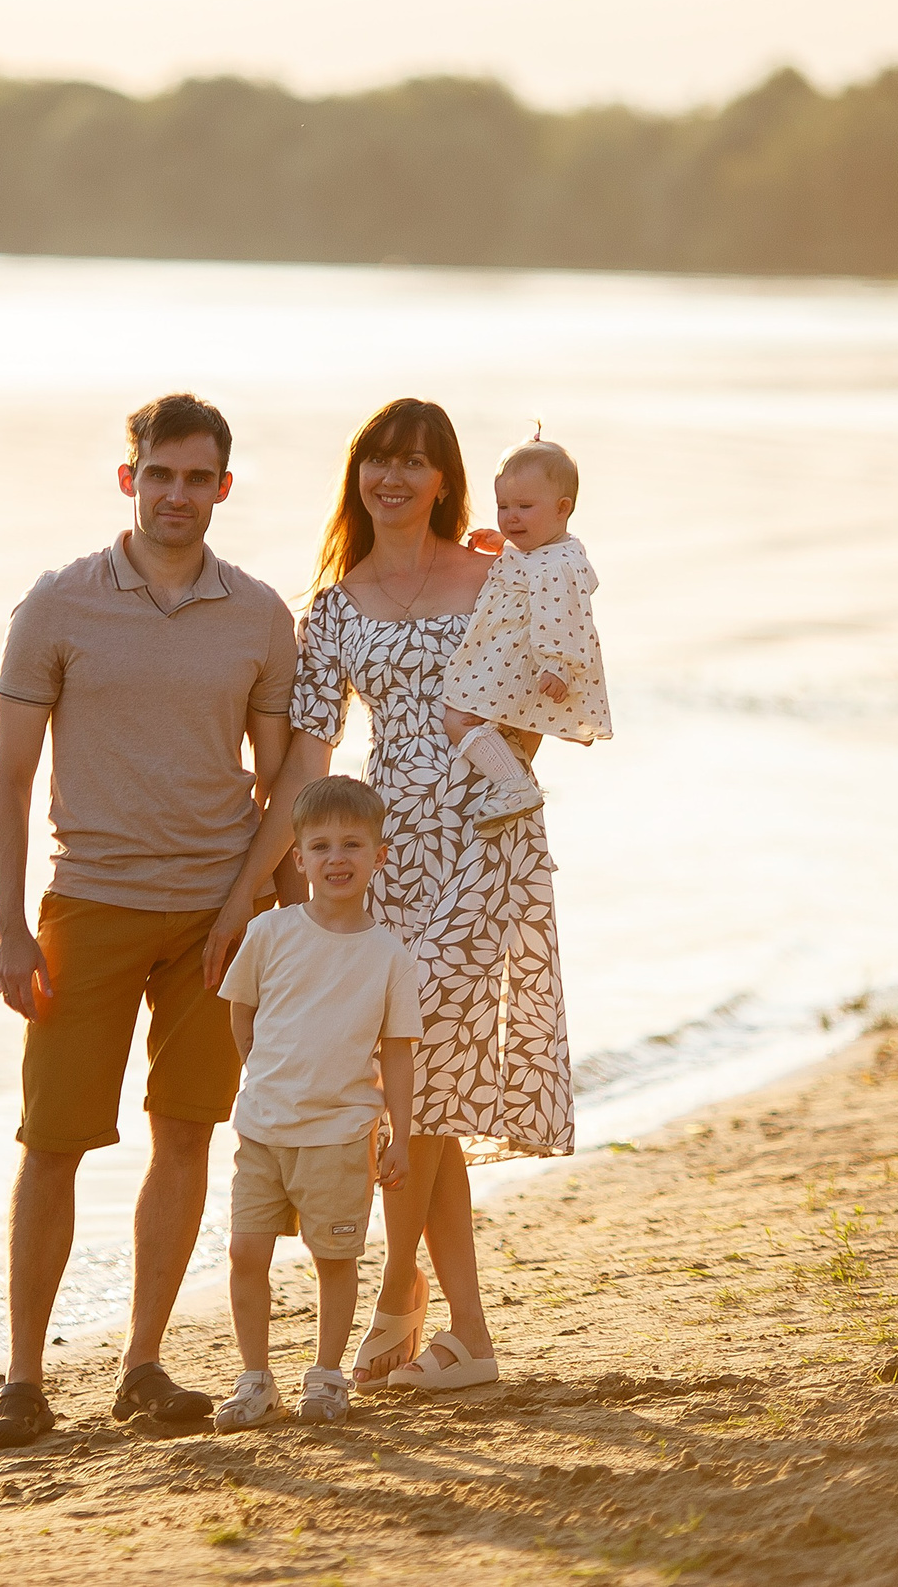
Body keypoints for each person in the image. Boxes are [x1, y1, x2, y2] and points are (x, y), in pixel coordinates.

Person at [206, 397, 575, 1396]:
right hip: (386, 850)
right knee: (425, 1090)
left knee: (429, 1072)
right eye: (379, 459)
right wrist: (253, 891)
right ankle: (466, 1334)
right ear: (358, 473)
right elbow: (307, 767)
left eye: (416, 462)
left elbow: (555, 685)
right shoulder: (332, 607)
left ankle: (396, 1300)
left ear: (445, 479)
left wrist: (495, 766)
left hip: (485, 839)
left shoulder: (497, 577)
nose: (395, 477)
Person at [0, 392, 300, 1450]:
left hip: (214, 916)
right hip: (91, 905)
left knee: (185, 1131)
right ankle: (23, 1378)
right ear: (130, 479)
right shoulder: (59, 604)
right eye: (159, 474)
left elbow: (278, 783)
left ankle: (142, 1362)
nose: (177, 493)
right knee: (54, 1140)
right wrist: (9, 927)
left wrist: (270, 911)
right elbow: (10, 780)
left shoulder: (258, 614)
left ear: (222, 485)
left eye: (196, 476)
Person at [210, 775, 419, 1431]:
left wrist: (402, 1136)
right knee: (246, 1250)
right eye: (321, 845)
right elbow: (243, 1015)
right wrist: (267, 1075)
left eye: (353, 845)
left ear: (378, 857)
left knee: (335, 1258)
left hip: (340, 1132)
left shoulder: (388, 956)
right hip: (263, 1127)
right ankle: (255, 1379)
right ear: (296, 857)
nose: (337, 858)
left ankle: (326, 1378)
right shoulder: (270, 933)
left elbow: (398, 1053)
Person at [439, 431, 612, 832]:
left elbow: (564, 616)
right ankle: (515, 778)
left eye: (524, 507)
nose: (511, 516)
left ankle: (512, 784)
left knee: (459, 716)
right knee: (488, 719)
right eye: (503, 506)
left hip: (527, 662)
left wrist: (558, 665)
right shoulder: (548, 550)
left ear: (562, 508)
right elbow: (531, 562)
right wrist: (504, 543)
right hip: (517, 660)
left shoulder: (556, 567)